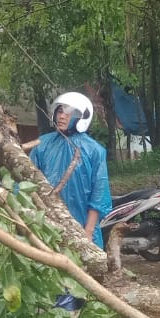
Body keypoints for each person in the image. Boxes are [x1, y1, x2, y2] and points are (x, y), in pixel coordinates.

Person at [29, 91, 113, 248]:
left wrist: (88, 231)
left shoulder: (94, 150)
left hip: (83, 225)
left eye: (68, 113)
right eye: (60, 111)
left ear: (81, 117)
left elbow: (99, 193)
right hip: (47, 224)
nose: (62, 116)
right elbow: (27, 181)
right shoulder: (42, 144)